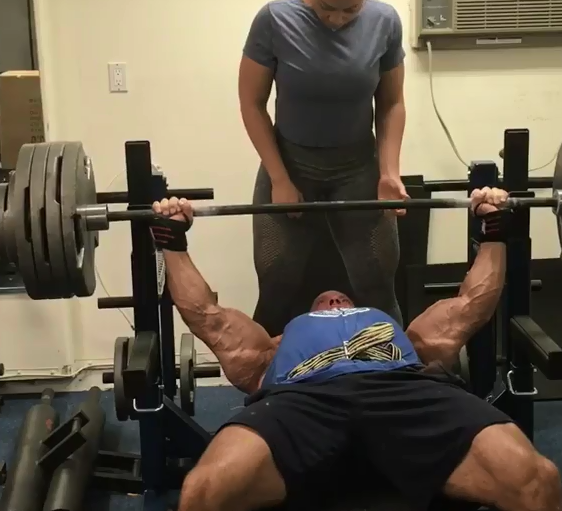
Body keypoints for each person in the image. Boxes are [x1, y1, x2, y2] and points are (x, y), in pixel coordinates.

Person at [149, 188, 561, 511]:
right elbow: (207, 315)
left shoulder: (405, 336)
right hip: (300, 401)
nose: (333, 300)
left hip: (406, 392)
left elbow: (472, 304)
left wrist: (494, 228)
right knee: (202, 492)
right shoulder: (273, 346)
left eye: (340, 299)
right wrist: (172, 238)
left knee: (536, 480)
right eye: (324, 301)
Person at [238, 0, 408, 336]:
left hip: (357, 168)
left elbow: (391, 103)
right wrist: (279, 179)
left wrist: (389, 171)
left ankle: (399, 382)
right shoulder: (275, 19)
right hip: (290, 163)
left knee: (376, 285)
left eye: (350, 11)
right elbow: (251, 103)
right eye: (328, 8)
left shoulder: (384, 21)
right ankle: (266, 394)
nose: (337, 19)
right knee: (278, 284)